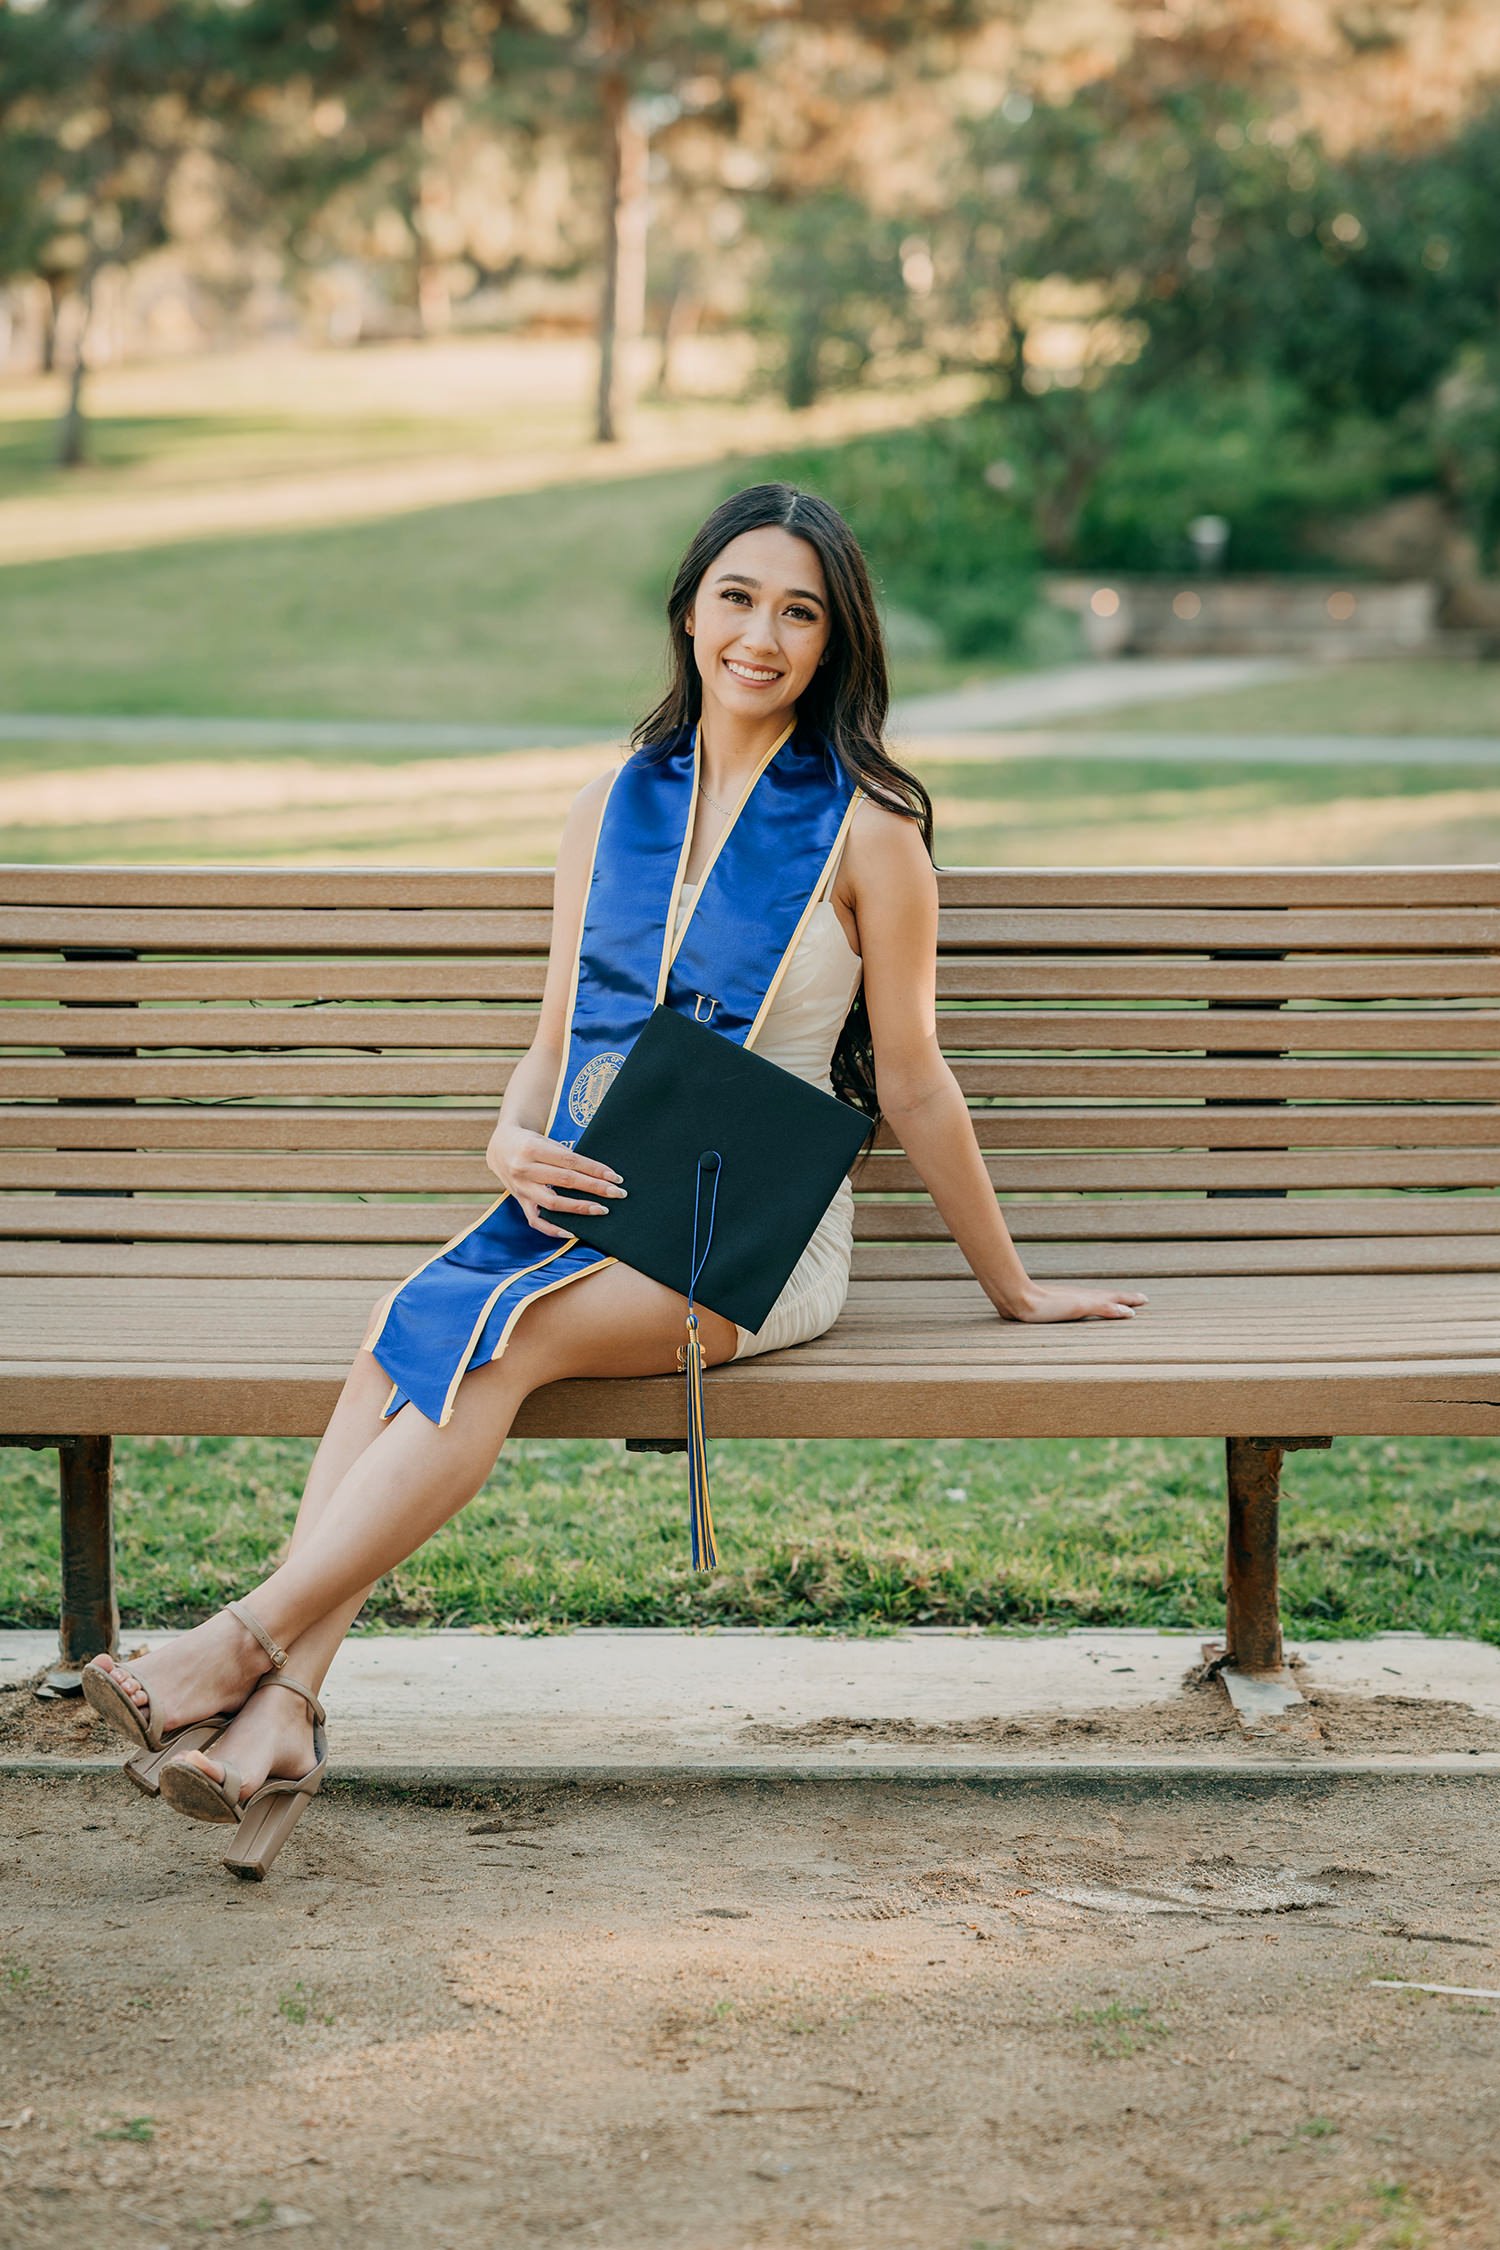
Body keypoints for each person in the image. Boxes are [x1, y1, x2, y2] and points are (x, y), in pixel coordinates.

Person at [81, 482, 1146, 1876]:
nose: (761, 634)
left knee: (496, 1332)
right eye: (738, 597)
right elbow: (548, 1042)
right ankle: (280, 1715)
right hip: (587, 1194)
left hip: (748, 1220)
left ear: (837, 643)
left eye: (799, 611)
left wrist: (1012, 1290)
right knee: (400, 1330)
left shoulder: (869, 830)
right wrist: (504, 1142)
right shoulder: (612, 807)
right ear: (690, 610)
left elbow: (914, 1078)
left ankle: (240, 1642)